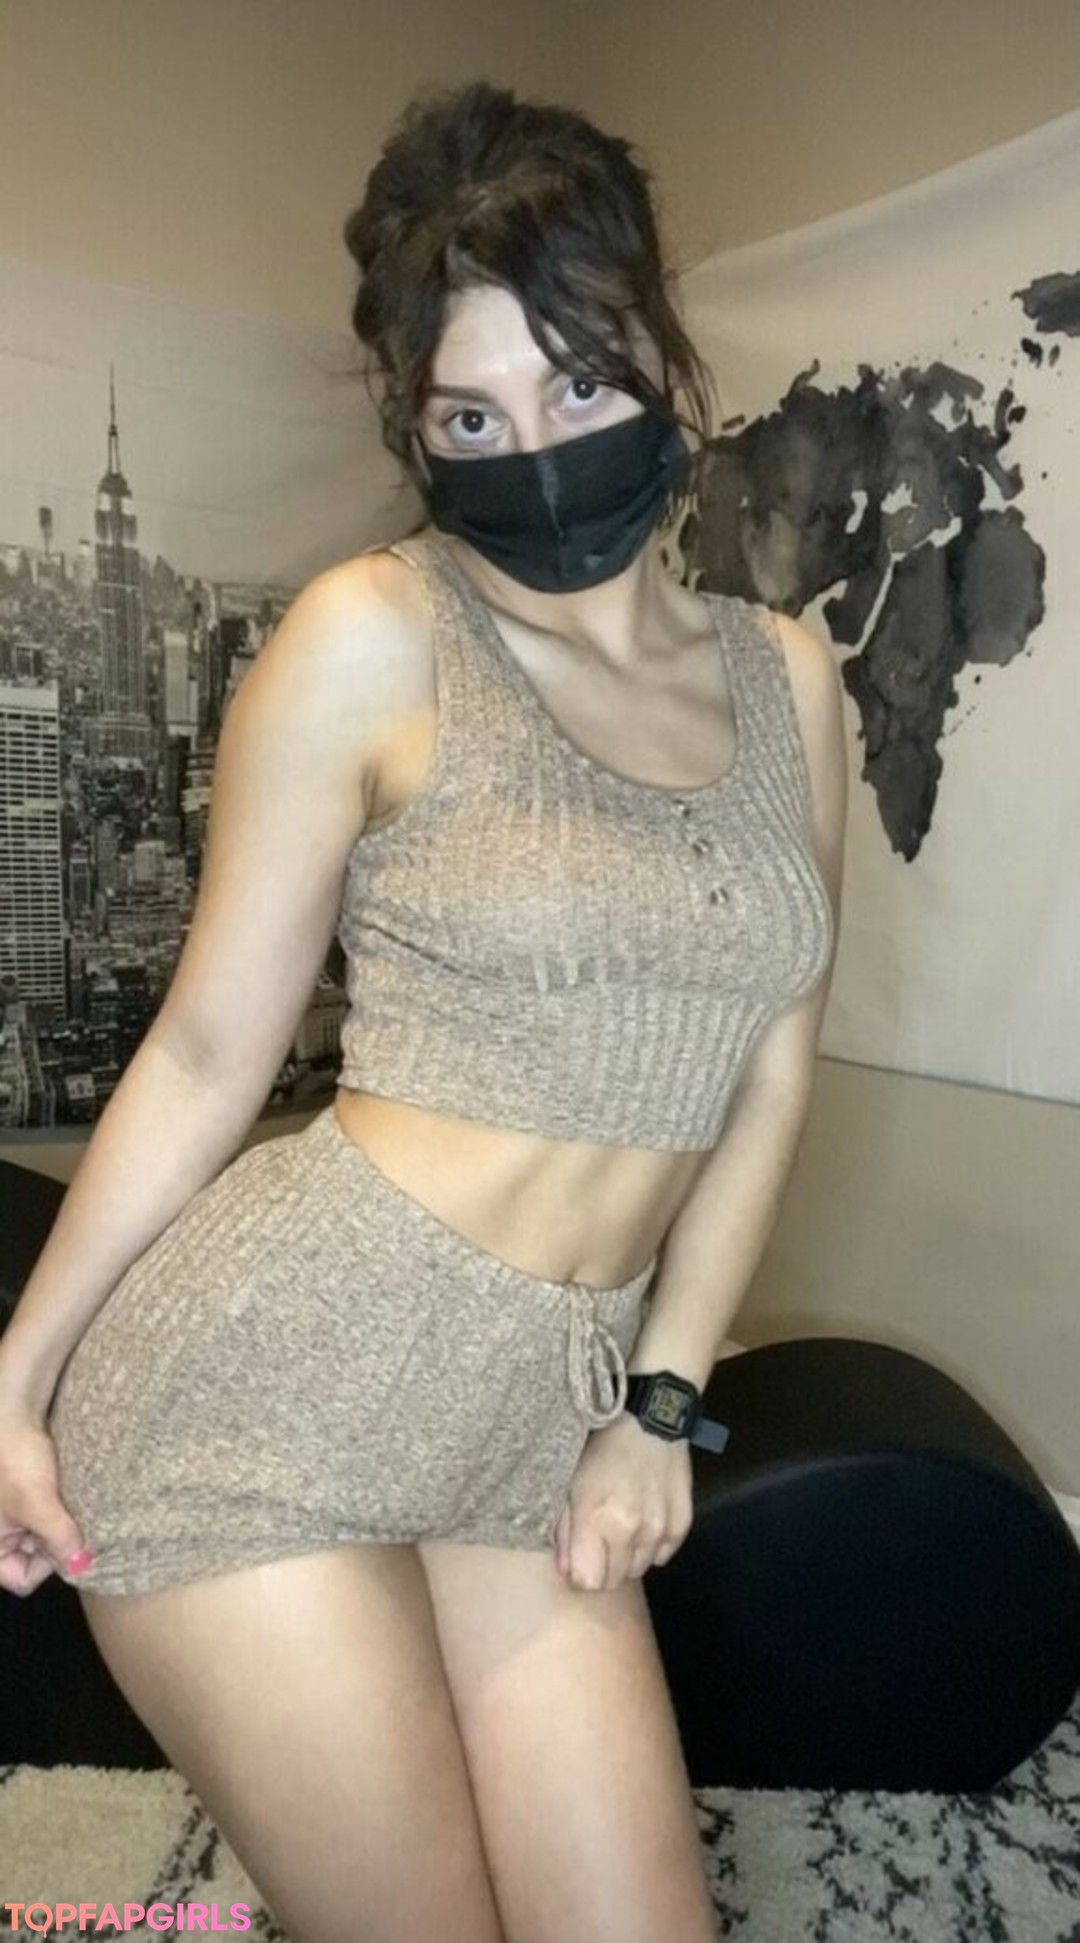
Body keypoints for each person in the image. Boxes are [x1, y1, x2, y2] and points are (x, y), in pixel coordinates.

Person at [0, 78, 846, 1943]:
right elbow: (207, 1053)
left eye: (581, 386)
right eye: (471, 416)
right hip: (267, 1392)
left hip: (551, 1407)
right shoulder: (372, 638)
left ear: (666, 355)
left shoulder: (790, 682)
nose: (532, 452)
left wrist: (663, 1404)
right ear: (416, 427)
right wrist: (14, 1374)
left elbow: (770, 1071)